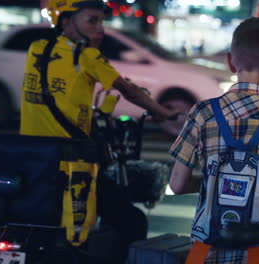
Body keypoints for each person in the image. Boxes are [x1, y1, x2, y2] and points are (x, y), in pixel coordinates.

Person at [20, 0, 178, 263]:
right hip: (73, 162)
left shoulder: (36, 48)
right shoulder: (87, 57)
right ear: (67, 22)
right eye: (92, 21)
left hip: (33, 161)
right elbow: (128, 90)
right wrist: (164, 113)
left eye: (101, 21)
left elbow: (62, 95)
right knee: (132, 220)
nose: (100, 29)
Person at [168, 17, 259, 263]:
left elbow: (177, 184)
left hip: (204, 251)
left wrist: (215, 181)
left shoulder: (203, 112)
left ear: (231, 62)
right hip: (256, 254)